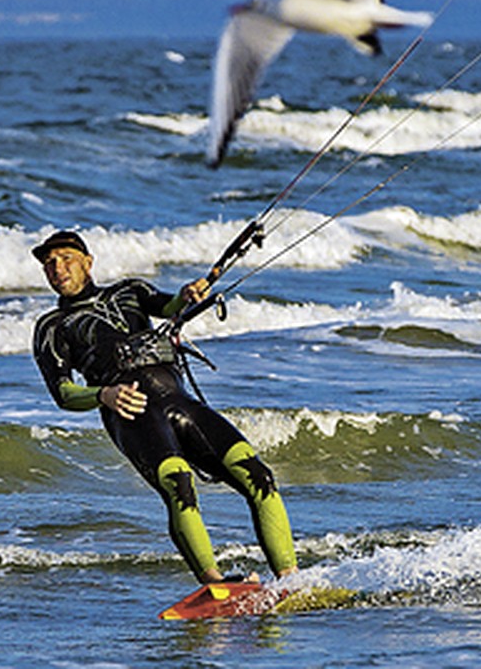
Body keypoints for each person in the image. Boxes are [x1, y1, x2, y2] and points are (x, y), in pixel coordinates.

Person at [30, 229, 297, 584]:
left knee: (259, 476)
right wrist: (103, 395)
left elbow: (171, 306)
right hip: (133, 412)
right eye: (49, 264)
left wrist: (187, 294)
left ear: (88, 263)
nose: (57, 269)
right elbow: (63, 393)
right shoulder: (51, 327)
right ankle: (215, 585)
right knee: (179, 484)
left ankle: (291, 580)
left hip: (180, 403)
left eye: (66, 259)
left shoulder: (132, 291)